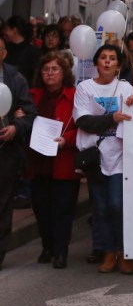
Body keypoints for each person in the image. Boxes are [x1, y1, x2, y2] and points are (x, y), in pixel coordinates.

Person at [73, 43, 133, 274]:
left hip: (119, 156)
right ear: (96, 63)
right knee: (100, 208)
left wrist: (132, 107)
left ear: (119, 65)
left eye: (112, 58)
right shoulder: (84, 88)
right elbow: (83, 121)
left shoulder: (126, 88)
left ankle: (124, 251)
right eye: (103, 57)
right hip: (94, 157)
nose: (107, 61)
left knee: (117, 205)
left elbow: (132, 118)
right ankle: (108, 252)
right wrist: (112, 118)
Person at [26, 52, 81, 269]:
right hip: (38, 162)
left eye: (55, 69)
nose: (50, 73)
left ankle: (60, 251)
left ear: (64, 73)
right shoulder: (32, 96)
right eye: (46, 69)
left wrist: (65, 140)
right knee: (41, 208)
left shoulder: (75, 95)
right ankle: (47, 246)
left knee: (62, 209)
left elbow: (83, 129)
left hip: (63, 162)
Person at [0, 37, 37, 271]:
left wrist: (16, 127)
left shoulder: (15, 78)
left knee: (3, 204)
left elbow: (30, 113)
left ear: (4, 53)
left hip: (6, 152)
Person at [3, 15, 42, 83]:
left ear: (14, 30)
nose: (4, 32)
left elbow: (35, 76)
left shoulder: (33, 52)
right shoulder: (4, 48)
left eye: (7, 29)